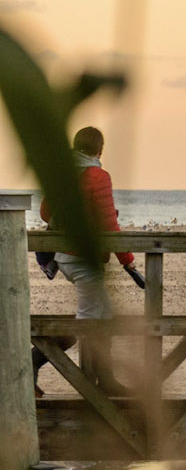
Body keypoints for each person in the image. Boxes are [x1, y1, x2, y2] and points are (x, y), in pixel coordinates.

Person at [35, 126, 143, 388]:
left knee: (102, 314)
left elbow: (45, 213)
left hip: (64, 257)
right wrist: (127, 259)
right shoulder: (98, 176)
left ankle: (104, 379)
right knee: (89, 319)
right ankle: (34, 361)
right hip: (83, 259)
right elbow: (109, 224)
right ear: (99, 149)